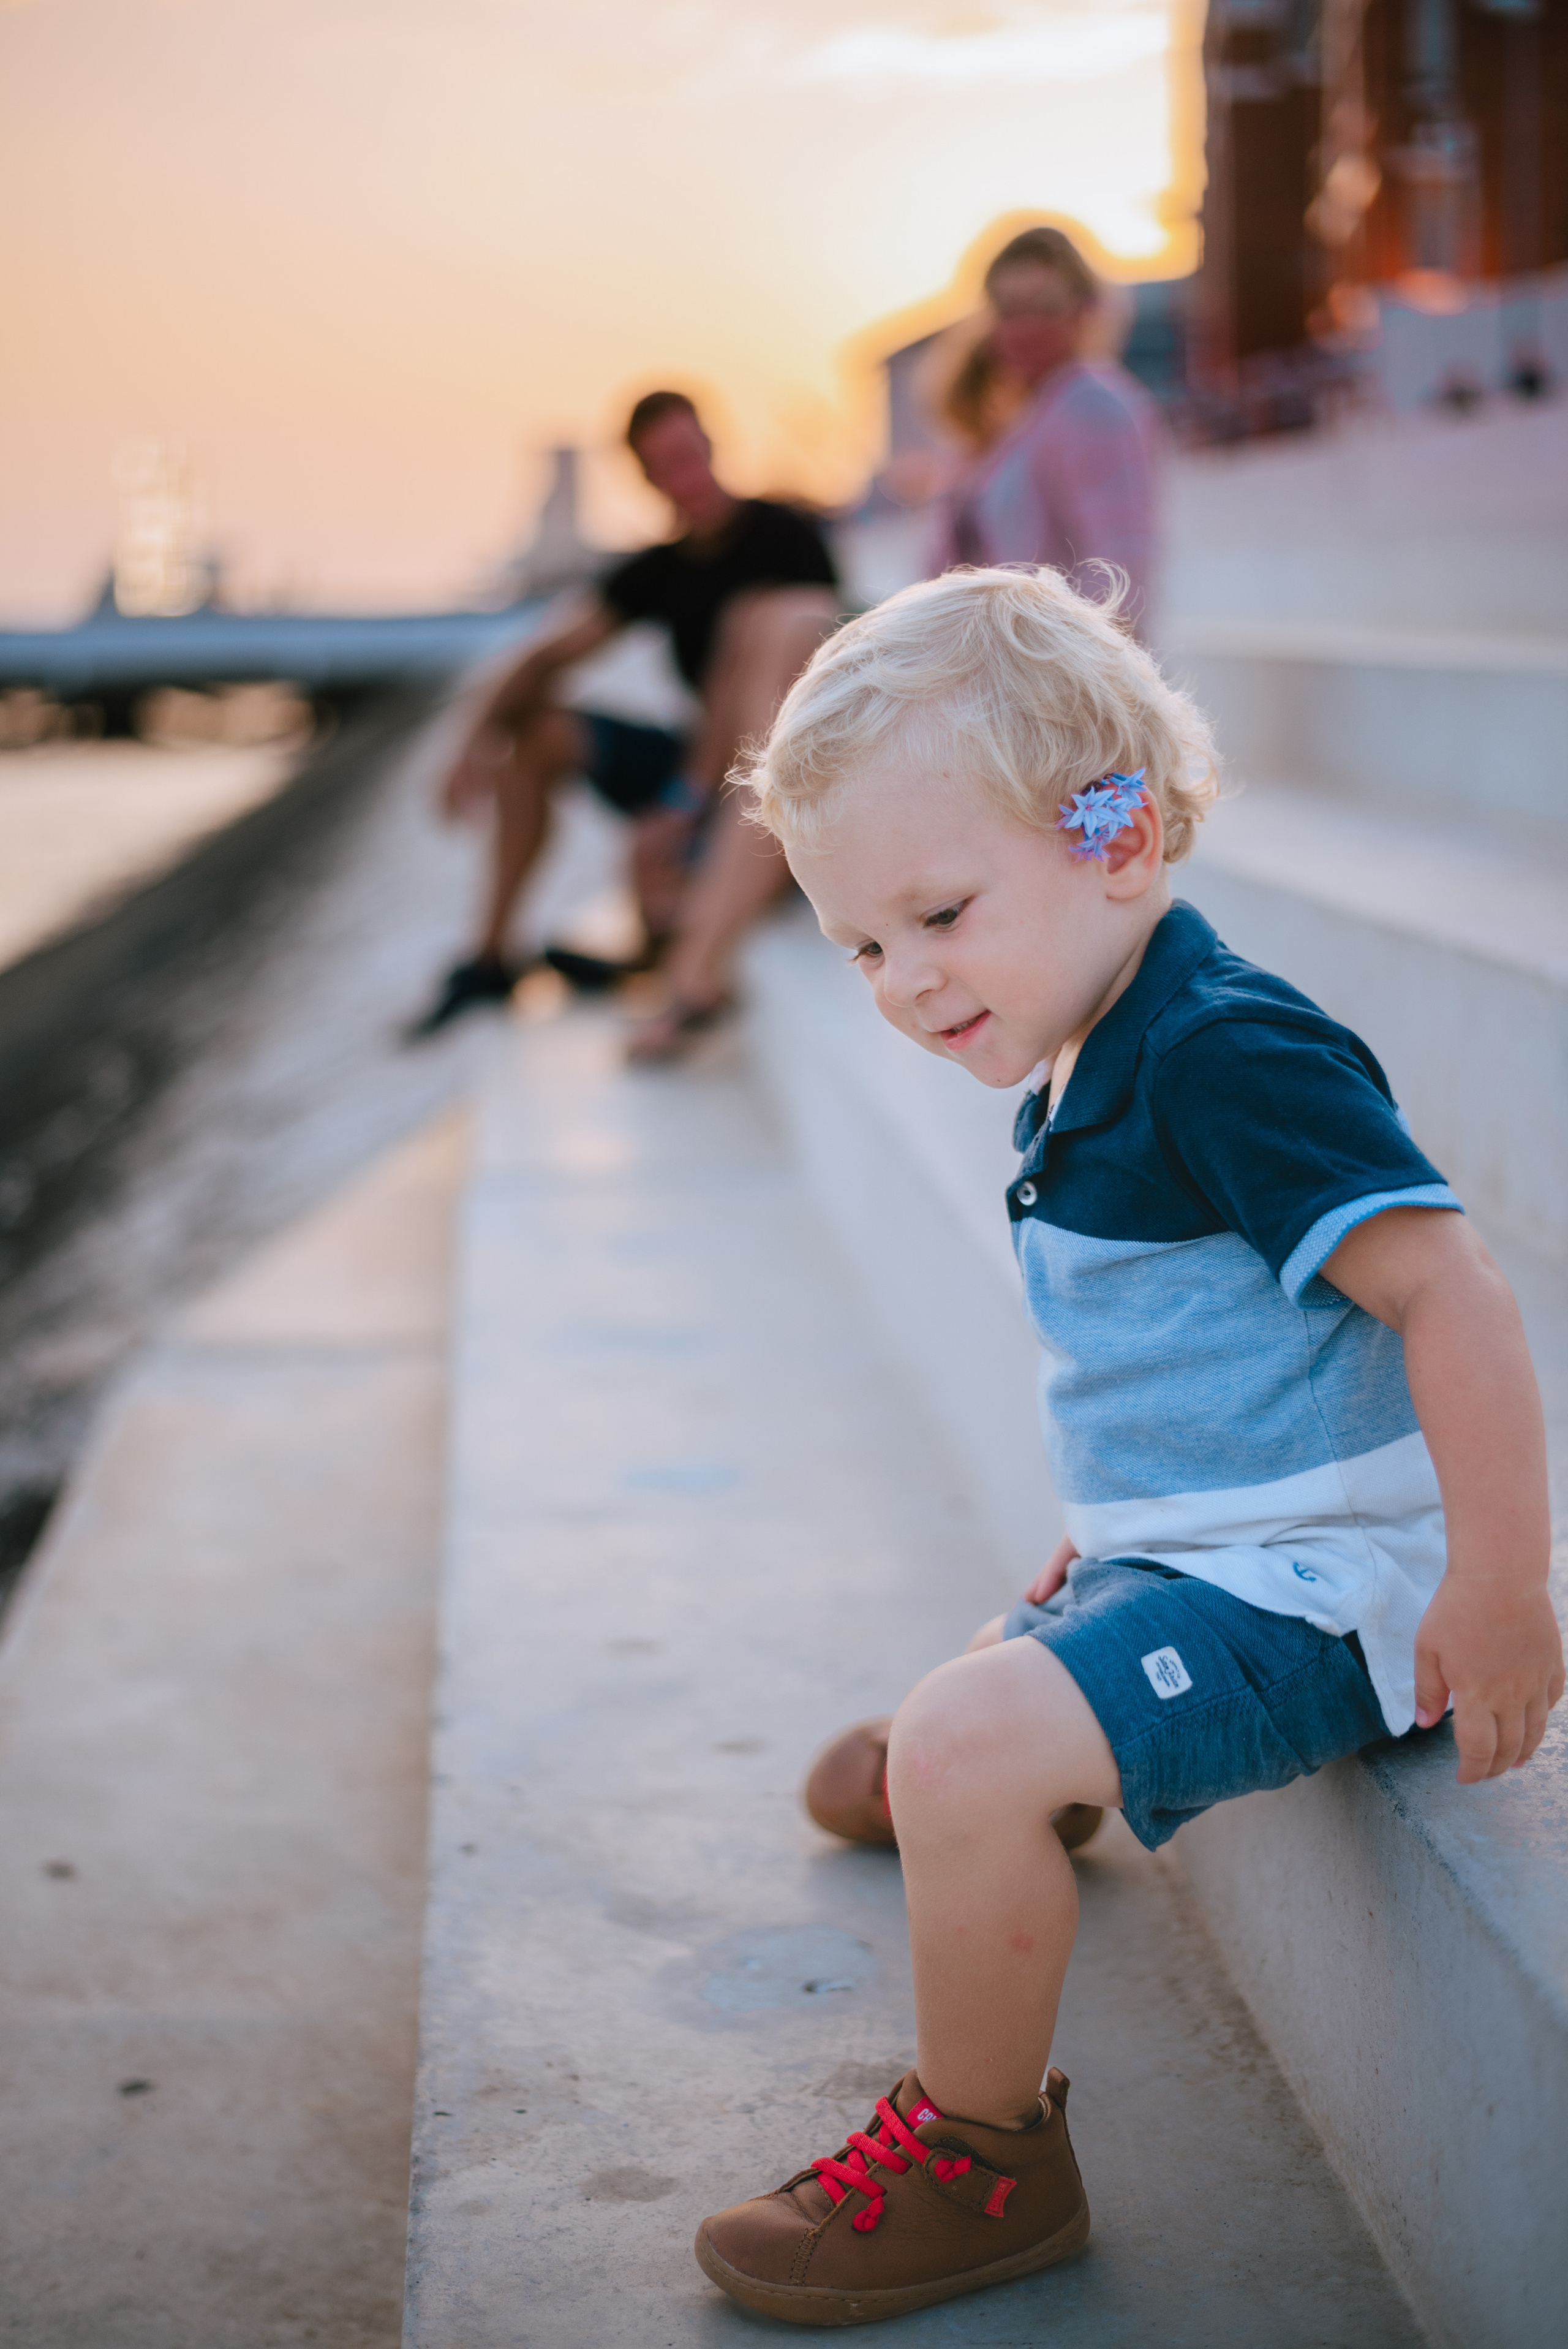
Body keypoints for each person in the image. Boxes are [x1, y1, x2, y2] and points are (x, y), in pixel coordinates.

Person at [690, 566, 1562, 2326]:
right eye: (864, 943)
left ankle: (985, 2161)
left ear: (1123, 837)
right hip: (1213, 1553)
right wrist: (1119, 1554)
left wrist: (1499, 1582)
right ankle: (1023, 1755)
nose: (904, 982)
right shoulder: (1087, 1036)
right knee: (959, 1731)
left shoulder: (1226, 1055)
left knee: (952, 1746)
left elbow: (1458, 1293)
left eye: (938, 912)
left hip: (1334, 1594)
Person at [412, 390, 839, 1039]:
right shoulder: (658, 569)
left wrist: (681, 802)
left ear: (712, 448)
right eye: (666, 465)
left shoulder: (784, 535)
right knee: (532, 736)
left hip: (768, 763)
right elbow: (545, 657)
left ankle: (674, 934)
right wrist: (469, 746)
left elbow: (794, 686)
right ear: (647, 478)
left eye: (691, 455)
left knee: (747, 646)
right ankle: (491, 954)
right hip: (699, 756)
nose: (686, 476)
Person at [929, 225, 1162, 635]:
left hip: (1052, 681)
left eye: (1045, 307)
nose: (1024, 328)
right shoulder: (1023, 419)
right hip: (1011, 669)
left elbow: (1118, 578)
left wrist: (1082, 689)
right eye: (1009, 310)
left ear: (1084, 309)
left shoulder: (1091, 406)